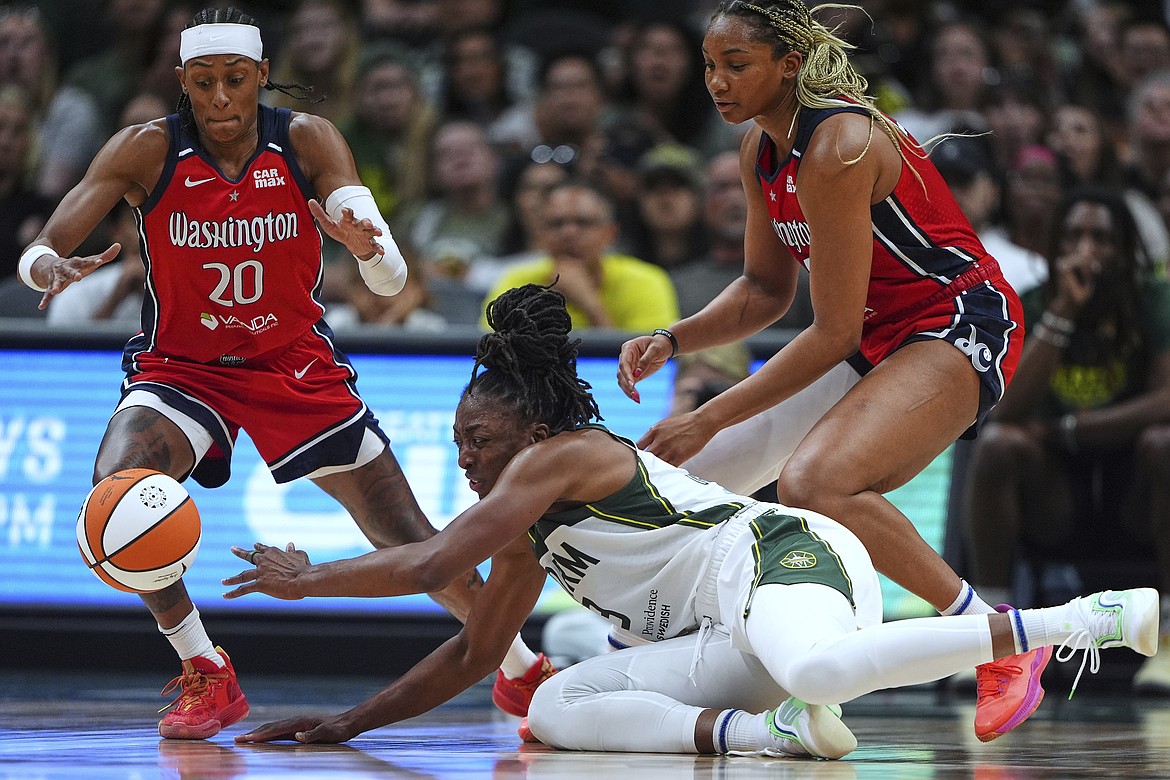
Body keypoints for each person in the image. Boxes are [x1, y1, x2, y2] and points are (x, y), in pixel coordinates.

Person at [222, 282, 1161, 756]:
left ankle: (1078, 622)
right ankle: (770, 737)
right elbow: (473, 657)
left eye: (478, 438)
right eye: (459, 441)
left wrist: (312, 578)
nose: (464, 456)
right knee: (551, 704)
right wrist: (348, 725)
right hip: (723, 636)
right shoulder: (523, 527)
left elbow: (434, 565)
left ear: (534, 429)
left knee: (821, 666)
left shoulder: (568, 457)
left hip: (783, 559)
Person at [15, 7, 549, 741]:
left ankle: (518, 666)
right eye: (204, 83)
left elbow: (391, 282)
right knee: (119, 494)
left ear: (262, 75)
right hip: (185, 367)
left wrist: (370, 250)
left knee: (409, 535)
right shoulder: (146, 149)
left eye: (236, 80)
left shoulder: (305, 138)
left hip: (291, 363)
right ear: (182, 83)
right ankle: (206, 670)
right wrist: (49, 264)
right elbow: (46, 241)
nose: (222, 98)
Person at [614, 1, 1043, 743]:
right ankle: (661, 654)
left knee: (818, 483)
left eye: (736, 65)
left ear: (788, 65)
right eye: (710, 66)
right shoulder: (760, 149)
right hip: (877, 333)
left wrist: (709, 410)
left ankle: (1001, 642)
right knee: (687, 480)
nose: (717, 82)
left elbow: (832, 328)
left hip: (958, 320)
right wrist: (672, 338)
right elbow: (762, 290)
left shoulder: (839, 143)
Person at [963, 187, 1170, 695]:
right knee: (998, 446)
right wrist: (1062, 313)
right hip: (1056, 499)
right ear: (1055, 247)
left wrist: (1069, 429)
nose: (1086, 249)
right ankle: (993, 637)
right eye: (1074, 236)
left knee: (1165, 444)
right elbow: (1004, 413)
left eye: (1101, 238)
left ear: (1124, 250)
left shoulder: (1153, 301)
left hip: (1137, 499)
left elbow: (1166, 400)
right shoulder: (1034, 303)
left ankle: (1166, 639)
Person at [481, 179, 679, 331]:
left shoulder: (646, 281)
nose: (569, 233)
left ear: (610, 234)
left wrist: (590, 303)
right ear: (539, 235)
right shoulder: (517, 282)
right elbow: (488, 356)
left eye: (583, 223)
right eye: (556, 224)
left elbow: (648, 369)